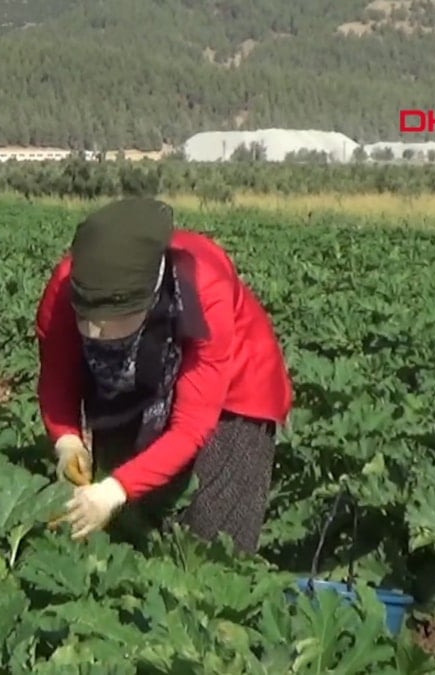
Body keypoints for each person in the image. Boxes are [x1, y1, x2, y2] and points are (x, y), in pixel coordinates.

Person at [35, 197, 293, 555]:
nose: (95, 332)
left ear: (150, 298)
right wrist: (67, 441)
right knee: (127, 532)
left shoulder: (204, 290)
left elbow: (191, 426)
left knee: (213, 543)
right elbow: (57, 378)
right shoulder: (66, 287)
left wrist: (114, 489)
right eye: (87, 318)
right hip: (125, 388)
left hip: (232, 398)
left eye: (111, 322)